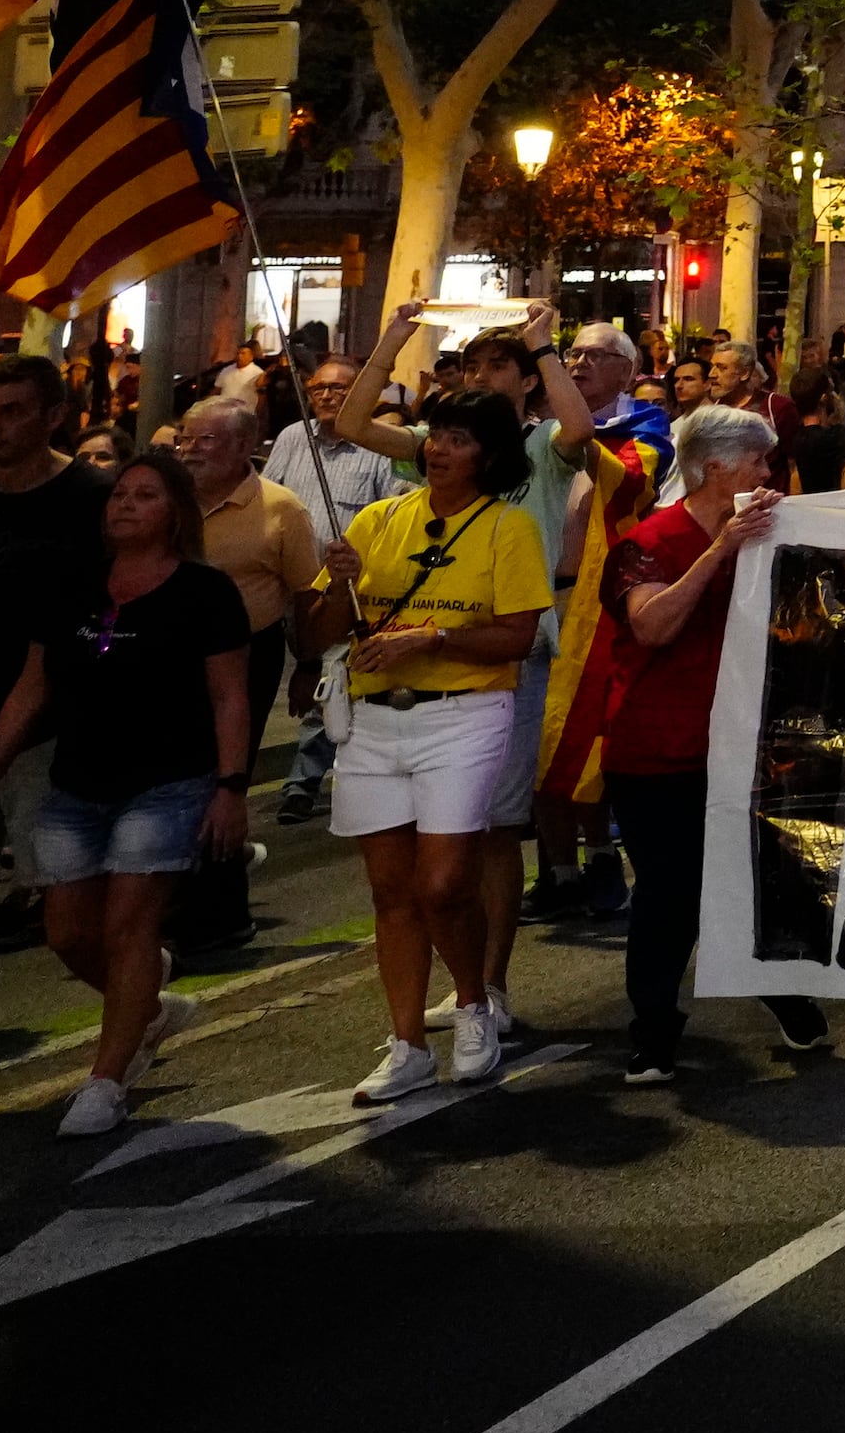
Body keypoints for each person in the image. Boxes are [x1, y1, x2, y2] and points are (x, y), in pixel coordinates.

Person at [0, 447, 246, 1133]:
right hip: (77, 780)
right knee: (68, 930)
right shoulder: (75, 585)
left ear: (175, 511)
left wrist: (231, 784)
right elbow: (30, 688)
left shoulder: (203, 591)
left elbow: (229, 694)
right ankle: (150, 1007)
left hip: (167, 781)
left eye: (145, 495)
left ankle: (106, 1078)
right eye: (119, 495)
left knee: (128, 922)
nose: (125, 505)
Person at [317, 393, 554, 1102]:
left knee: (445, 881)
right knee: (391, 892)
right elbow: (321, 627)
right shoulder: (377, 519)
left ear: (488, 453)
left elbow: (517, 636)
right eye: (434, 436)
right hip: (374, 717)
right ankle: (407, 1044)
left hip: (466, 712)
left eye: (458, 437)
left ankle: (474, 1001)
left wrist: (434, 637)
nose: (439, 449)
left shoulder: (508, 527)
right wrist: (339, 582)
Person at [594, 404, 830, 1082]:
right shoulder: (649, 541)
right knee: (670, 889)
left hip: (744, 746)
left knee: (755, 880)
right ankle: (653, 1030)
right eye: (759, 460)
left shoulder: (771, 531)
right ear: (718, 467)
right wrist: (721, 548)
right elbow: (654, 626)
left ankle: (783, 993)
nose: (769, 471)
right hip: (657, 749)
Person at [0, 347, 111, 1122]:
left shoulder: (94, 499)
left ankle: (138, 989)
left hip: (58, 728)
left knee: (68, 921)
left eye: (12, 412)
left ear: (52, 416)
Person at [165, 395, 312, 952]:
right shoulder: (166, 499)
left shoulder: (280, 508)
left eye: (205, 440)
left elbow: (303, 594)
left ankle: (221, 909)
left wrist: (309, 668)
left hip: (248, 657)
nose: (190, 449)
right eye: (185, 437)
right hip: (168, 662)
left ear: (245, 446)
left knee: (224, 780)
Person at [262, 347, 403, 822]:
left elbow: (393, 512)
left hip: (343, 588)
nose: (326, 395)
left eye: (338, 387)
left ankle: (302, 783)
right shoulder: (290, 438)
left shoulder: (379, 443)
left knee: (329, 680)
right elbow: (270, 497)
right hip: (288, 585)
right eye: (318, 387)